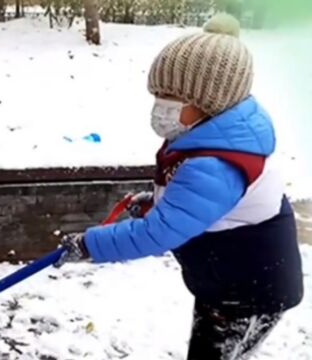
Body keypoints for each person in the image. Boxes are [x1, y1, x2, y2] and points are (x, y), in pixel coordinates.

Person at [55, 13, 304, 360]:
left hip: (247, 294)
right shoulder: (213, 136)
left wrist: (89, 244)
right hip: (229, 279)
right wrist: (153, 201)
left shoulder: (216, 164)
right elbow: (192, 205)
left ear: (210, 102)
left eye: (171, 96)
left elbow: (159, 233)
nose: (160, 104)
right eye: (158, 93)